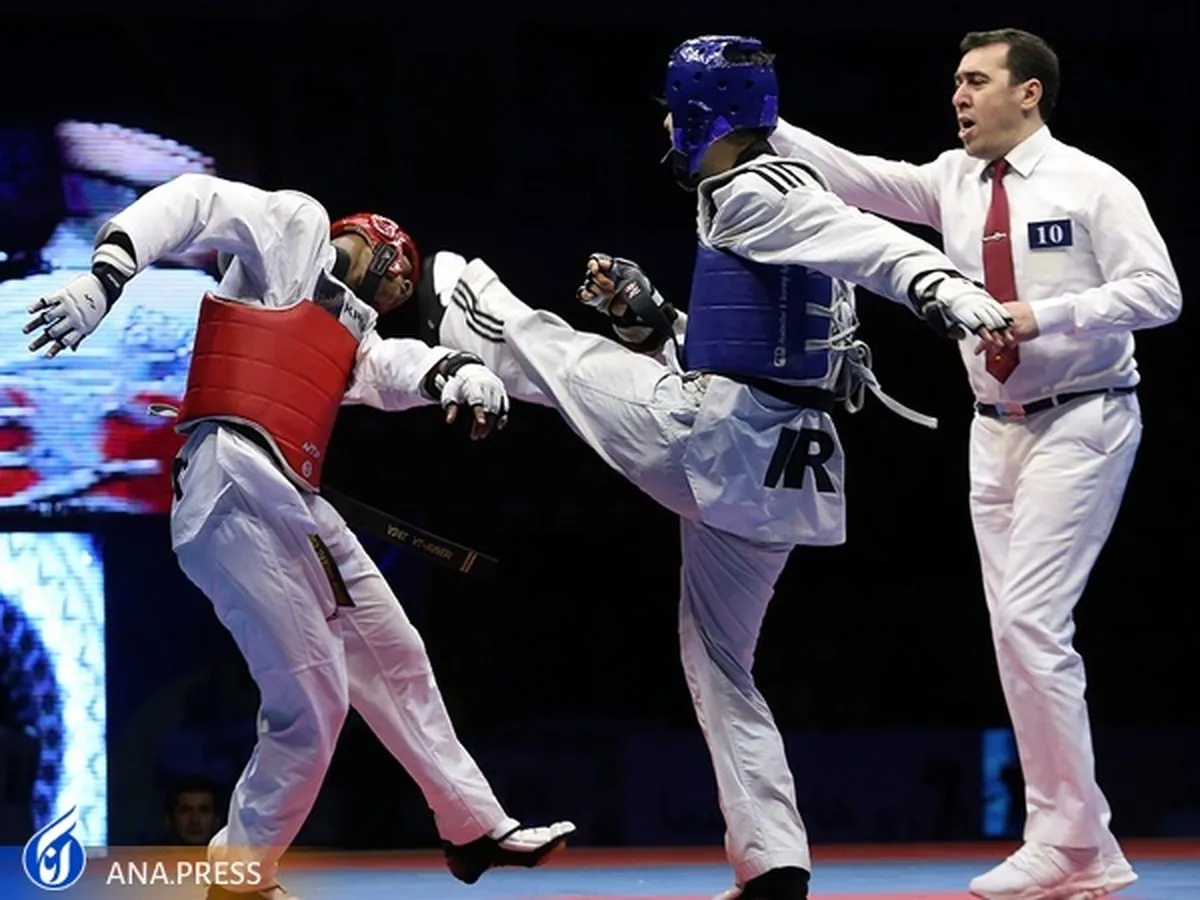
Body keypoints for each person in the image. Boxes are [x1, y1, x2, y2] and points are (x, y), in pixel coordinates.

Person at [414, 35, 1015, 900]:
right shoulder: (777, 192)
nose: (666, 125)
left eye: (674, 112)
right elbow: (759, 348)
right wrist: (654, 316)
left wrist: (943, 288)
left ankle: (457, 309)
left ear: (702, 117)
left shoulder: (756, 191)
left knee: (555, 356)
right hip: (784, 470)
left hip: (724, 440)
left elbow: (873, 244)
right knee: (720, 665)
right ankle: (772, 860)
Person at [21, 172, 575, 899]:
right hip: (230, 491)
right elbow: (193, 200)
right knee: (312, 704)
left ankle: (473, 826)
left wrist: (457, 371)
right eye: (401, 268)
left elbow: (394, 366)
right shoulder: (293, 232)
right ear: (374, 240)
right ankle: (239, 876)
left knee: (395, 653)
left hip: (291, 500)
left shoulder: (353, 336)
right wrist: (107, 276)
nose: (401, 287)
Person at [767, 27, 1181, 899]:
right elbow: (851, 174)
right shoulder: (950, 180)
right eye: (956, 81)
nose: (958, 96)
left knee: (1031, 622)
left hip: (1085, 416)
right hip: (991, 429)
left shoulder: (1093, 183)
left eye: (976, 80)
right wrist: (753, 116)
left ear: (1028, 92)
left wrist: (1045, 315)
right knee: (1015, 633)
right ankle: (1079, 845)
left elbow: (1159, 293)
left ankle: (1070, 842)